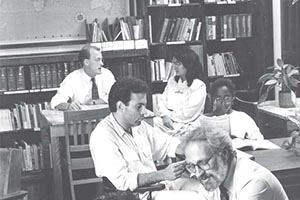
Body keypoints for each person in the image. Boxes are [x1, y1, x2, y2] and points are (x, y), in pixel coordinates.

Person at [89, 77, 206, 200]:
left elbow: (167, 145)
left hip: (160, 186)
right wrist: (163, 174)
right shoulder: (102, 136)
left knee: (211, 188)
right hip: (141, 196)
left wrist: (195, 152)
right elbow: (122, 181)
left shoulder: (139, 126)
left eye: (144, 106)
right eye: (139, 107)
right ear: (120, 106)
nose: (144, 112)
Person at [183, 126, 289, 200]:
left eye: (203, 162)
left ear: (223, 154)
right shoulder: (214, 176)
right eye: (192, 166)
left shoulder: (254, 183)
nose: (198, 173)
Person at [154, 48, 207, 138]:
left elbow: (189, 114)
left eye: (178, 64)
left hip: (187, 124)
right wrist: (164, 116)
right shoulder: (172, 81)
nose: (175, 67)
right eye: (174, 63)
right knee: (154, 123)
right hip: (169, 121)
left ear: (188, 65)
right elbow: (162, 102)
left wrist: (169, 116)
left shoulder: (198, 85)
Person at [196, 77, 264, 142]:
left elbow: (259, 138)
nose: (223, 102)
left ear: (233, 98)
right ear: (213, 99)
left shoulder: (243, 118)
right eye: (218, 98)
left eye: (227, 98)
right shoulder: (204, 119)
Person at [50, 44, 115, 110]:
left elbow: (117, 96)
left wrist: (97, 102)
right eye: (97, 60)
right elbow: (56, 101)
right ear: (86, 62)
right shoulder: (73, 78)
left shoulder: (106, 74)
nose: (102, 64)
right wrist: (68, 106)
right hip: (81, 118)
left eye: (101, 60)